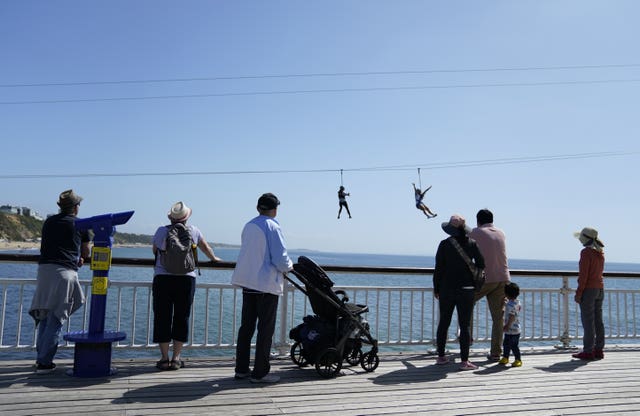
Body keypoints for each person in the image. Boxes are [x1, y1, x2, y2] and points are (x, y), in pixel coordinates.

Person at [152, 201, 222, 371]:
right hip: (186, 279)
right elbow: (205, 247)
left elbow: (155, 251)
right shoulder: (194, 231)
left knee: (162, 316)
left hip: (163, 278)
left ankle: (164, 358)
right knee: (181, 317)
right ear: (186, 217)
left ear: (171, 217)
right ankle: (176, 358)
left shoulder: (162, 231)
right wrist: (214, 259)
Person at [232, 193, 293, 383]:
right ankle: (260, 373)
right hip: (266, 284)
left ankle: (241, 369)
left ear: (258, 208)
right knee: (265, 330)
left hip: (247, 282)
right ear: (275, 209)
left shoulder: (249, 225)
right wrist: (290, 267)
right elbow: (280, 258)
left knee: (246, 327)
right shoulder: (273, 226)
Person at [29, 189, 91, 374]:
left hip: (44, 270)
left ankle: (41, 357)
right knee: (56, 317)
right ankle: (45, 362)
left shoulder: (49, 222)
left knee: (45, 315)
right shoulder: (81, 225)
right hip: (64, 272)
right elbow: (86, 251)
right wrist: (80, 257)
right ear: (75, 207)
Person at [433, 214, 485, 370]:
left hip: (447, 289)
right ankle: (464, 361)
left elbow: (439, 269)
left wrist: (437, 288)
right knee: (464, 325)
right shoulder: (472, 243)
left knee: (444, 322)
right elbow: (481, 264)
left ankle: (441, 356)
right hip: (467, 289)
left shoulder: (444, 244)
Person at [468, 209, 511, 361]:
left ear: (478, 220)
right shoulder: (501, 232)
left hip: (485, 279)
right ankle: (495, 352)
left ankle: (467, 339)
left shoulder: (476, 232)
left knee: (466, 304)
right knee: (498, 317)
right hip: (502, 279)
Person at [572, 227, 605, 360]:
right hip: (600, 289)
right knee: (598, 321)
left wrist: (579, 293)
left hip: (589, 290)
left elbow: (583, 275)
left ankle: (588, 351)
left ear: (584, 239)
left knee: (588, 321)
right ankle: (598, 349)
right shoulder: (600, 253)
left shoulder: (586, 253)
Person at [499, 282, 522, 367]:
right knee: (506, 344)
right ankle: (505, 357)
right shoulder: (514, 302)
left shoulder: (514, 305)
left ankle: (518, 359)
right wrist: (504, 304)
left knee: (514, 345)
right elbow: (506, 310)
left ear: (507, 294)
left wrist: (507, 325)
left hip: (514, 329)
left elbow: (512, 316)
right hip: (510, 329)